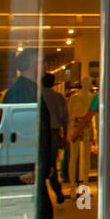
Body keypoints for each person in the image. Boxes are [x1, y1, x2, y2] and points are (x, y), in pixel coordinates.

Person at [0, 50, 70, 219]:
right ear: (32, 64)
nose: (46, 65)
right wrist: (25, 169)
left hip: (26, 168)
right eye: (43, 61)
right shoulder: (22, 92)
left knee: (37, 218)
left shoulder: (24, 91)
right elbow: (18, 135)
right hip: (23, 171)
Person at [40, 72, 68, 205]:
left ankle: (42, 193)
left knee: (41, 163)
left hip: (41, 133)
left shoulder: (38, 97)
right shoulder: (59, 98)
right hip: (55, 133)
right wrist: (64, 137)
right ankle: (57, 191)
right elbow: (65, 120)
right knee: (52, 164)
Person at [66, 75, 95, 190]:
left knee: (85, 157)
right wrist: (68, 132)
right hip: (77, 124)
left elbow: (96, 116)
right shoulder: (75, 97)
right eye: (85, 82)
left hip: (86, 124)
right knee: (74, 156)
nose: (87, 84)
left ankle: (85, 184)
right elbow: (69, 115)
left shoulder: (92, 97)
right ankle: (73, 185)